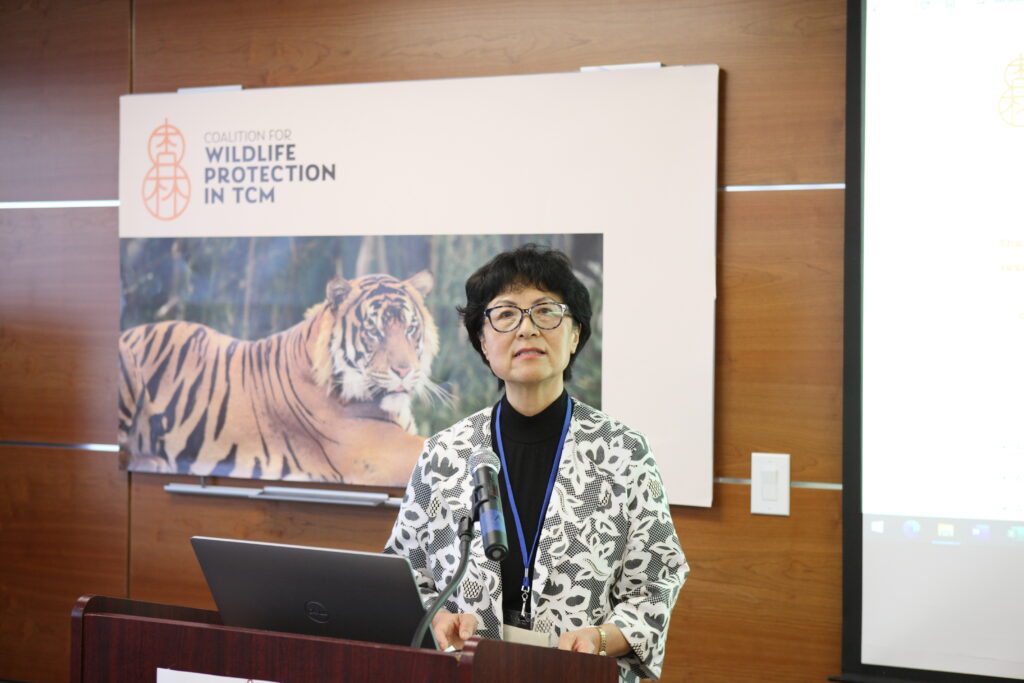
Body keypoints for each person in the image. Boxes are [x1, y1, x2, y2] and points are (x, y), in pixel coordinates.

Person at [384, 244, 687, 681]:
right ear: (484, 344)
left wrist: (600, 638)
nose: (526, 329)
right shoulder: (445, 453)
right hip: (467, 672)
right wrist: (435, 619)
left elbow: (657, 583)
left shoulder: (623, 453)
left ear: (575, 334)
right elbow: (405, 575)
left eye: (545, 311)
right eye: (505, 315)